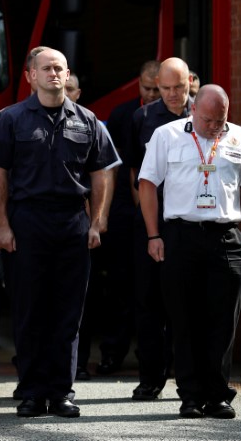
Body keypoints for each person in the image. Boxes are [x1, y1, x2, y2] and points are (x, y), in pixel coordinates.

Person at [0, 46, 119, 418]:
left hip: (72, 221)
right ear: (30, 76)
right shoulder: (10, 119)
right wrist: (1, 223)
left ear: (68, 72)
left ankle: (61, 392)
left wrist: (98, 220)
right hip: (27, 222)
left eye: (59, 68)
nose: (53, 74)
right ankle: (31, 392)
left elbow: (102, 171)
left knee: (67, 313)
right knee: (29, 311)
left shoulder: (87, 120)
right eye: (46, 69)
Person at [138, 84, 241, 419]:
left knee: (224, 321)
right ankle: (190, 396)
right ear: (194, 110)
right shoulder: (167, 136)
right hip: (181, 236)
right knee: (184, 320)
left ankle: (218, 394)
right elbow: (147, 184)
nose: (214, 127)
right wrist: (154, 235)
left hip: (226, 237)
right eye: (208, 120)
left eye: (220, 121)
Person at [80, 60, 161, 380]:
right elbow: (113, 168)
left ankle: (152, 357)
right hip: (127, 211)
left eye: (159, 88)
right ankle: (112, 353)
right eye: (147, 88)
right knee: (120, 285)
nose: (153, 94)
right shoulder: (124, 115)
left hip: (162, 213)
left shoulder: (183, 116)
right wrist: (105, 215)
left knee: (153, 290)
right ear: (138, 84)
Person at [125, 57, 192, 401]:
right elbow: (135, 172)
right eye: (164, 88)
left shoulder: (205, 115)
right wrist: (148, 221)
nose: (170, 95)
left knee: (188, 305)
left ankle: (189, 380)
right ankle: (151, 377)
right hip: (152, 222)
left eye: (177, 88)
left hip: (190, 224)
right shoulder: (144, 117)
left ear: (190, 82)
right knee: (148, 301)